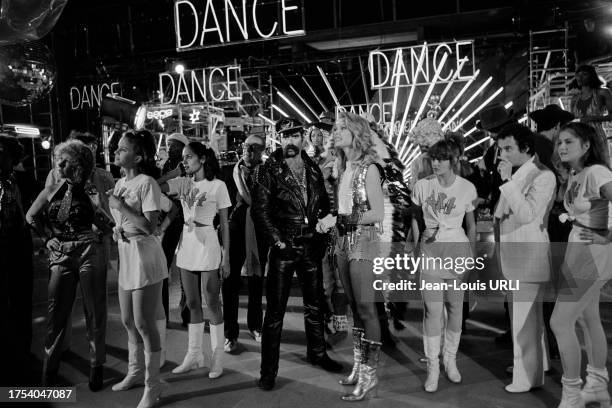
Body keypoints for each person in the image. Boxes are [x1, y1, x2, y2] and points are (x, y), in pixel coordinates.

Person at [252, 117, 342, 391]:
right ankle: (268, 371)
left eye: (293, 135)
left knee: (315, 305)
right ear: (278, 139)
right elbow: (260, 211)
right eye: (284, 136)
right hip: (284, 248)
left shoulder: (313, 168)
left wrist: (324, 233)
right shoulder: (268, 169)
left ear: (303, 137)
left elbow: (324, 204)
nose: (290, 141)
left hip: (310, 246)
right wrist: (278, 241)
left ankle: (317, 353)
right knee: (275, 313)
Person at [26, 140, 107, 391]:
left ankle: (96, 368)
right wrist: (48, 238)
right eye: (58, 160)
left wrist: (99, 223)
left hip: (88, 251)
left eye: (65, 160)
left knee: (95, 313)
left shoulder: (91, 190)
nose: (59, 164)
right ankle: (49, 370)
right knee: (56, 315)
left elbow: (107, 220)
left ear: (79, 164)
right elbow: (30, 216)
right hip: (61, 254)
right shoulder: (51, 189)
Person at [550, 123, 612, 408]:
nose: (562, 146)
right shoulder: (578, 174)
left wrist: (608, 236)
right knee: (588, 318)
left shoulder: (597, 172)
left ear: (587, 145)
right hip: (579, 250)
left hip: (592, 254)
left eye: (569, 142)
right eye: (560, 141)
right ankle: (597, 385)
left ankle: (572, 394)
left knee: (560, 321)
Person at [158, 142, 231, 379]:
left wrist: (226, 257)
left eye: (189, 157)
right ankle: (194, 355)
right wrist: (177, 172)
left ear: (202, 158)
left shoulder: (218, 185)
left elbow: (225, 225)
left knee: (212, 302)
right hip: (187, 246)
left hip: (208, 244)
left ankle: (217, 357)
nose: (185, 161)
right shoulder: (183, 183)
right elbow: (154, 186)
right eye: (183, 158)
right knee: (192, 304)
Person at [326, 112, 385, 401]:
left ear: (355, 133)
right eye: (334, 129)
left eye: (341, 128)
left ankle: (370, 376)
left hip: (363, 240)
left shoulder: (369, 168)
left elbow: (377, 213)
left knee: (366, 308)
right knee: (353, 307)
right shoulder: (341, 168)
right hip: (341, 242)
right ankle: (360, 367)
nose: (335, 132)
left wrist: (343, 218)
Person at [494, 124, 556, 393]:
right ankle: (536, 367)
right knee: (531, 319)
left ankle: (526, 377)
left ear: (526, 148)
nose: (502, 154)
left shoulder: (542, 175)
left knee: (523, 321)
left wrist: (507, 182)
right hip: (516, 254)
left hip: (528, 254)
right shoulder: (522, 173)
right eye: (500, 149)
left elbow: (527, 213)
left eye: (508, 148)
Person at [411, 139, 477, 393]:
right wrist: (418, 246)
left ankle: (450, 359)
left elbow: (470, 226)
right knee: (432, 311)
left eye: (441, 159)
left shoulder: (466, 188)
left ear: (454, 160)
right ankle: (433, 366)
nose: (435, 163)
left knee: (455, 309)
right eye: (433, 158)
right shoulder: (422, 186)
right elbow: (416, 218)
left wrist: (471, 257)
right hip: (430, 254)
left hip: (457, 253)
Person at [108, 130, 168, 408]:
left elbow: (150, 226)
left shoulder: (147, 183)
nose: (116, 152)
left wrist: (121, 207)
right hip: (126, 254)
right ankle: (133, 372)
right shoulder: (120, 182)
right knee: (128, 321)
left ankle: (152, 386)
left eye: (122, 149)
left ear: (139, 156)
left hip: (144, 254)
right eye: (117, 148)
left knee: (144, 323)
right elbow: (122, 220)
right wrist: (112, 218)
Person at [44, 131, 116, 358]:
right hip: (64, 247)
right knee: (60, 304)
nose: (89, 151)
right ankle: (60, 348)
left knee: (95, 304)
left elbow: (109, 212)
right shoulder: (56, 174)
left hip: (95, 244)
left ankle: (97, 353)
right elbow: (46, 209)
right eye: (84, 147)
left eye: (92, 146)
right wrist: (51, 237)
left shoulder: (103, 176)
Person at [529, 104, 576, 361]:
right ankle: (554, 342)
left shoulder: (534, 145)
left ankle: (548, 342)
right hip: (555, 221)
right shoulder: (552, 150)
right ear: (557, 127)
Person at [223, 134, 267, 352]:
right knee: (229, 280)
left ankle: (256, 325)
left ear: (261, 151)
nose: (247, 152)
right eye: (245, 147)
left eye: (253, 148)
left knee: (256, 280)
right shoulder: (229, 171)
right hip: (235, 229)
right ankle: (230, 334)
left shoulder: (268, 173)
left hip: (259, 229)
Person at [0, 135, 33, 386]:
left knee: (22, 298)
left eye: (2, 152)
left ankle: (24, 350)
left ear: (13, 157)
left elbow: (38, 208)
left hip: (18, 245)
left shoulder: (23, 180)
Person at [162, 133, 190, 326]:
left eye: (174, 145)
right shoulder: (165, 167)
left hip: (187, 221)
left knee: (187, 267)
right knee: (164, 265)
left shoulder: (189, 167)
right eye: (168, 145)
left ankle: (186, 311)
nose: (170, 148)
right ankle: (162, 312)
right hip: (170, 221)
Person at [569, 65, 612, 164]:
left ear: (592, 76)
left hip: (596, 136)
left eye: (584, 74)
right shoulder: (574, 99)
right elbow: (572, 120)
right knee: (581, 169)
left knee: (600, 167)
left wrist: (592, 118)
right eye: (578, 75)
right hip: (579, 138)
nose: (580, 77)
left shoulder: (603, 92)